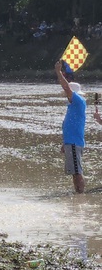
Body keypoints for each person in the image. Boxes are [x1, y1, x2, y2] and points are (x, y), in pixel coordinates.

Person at [55, 60, 86, 194]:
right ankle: (78, 194)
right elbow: (69, 125)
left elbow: (66, 88)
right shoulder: (73, 105)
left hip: (74, 142)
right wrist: (65, 142)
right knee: (74, 171)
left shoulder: (78, 101)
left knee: (77, 171)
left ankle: (80, 195)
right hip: (71, 142)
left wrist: (58, 72)